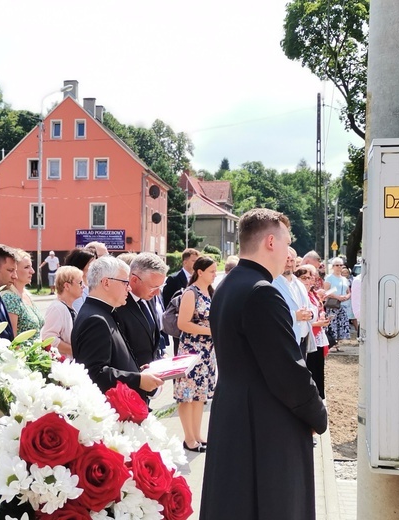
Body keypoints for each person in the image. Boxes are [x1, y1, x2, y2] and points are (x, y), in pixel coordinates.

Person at [200, 208, 327, 520]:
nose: (288, 253)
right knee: (270, 504)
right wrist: (316, 413)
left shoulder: (229, 284)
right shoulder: (262, 292)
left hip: (233, 412)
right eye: (286, 243)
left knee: (234, 501)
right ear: (270, 242)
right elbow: (287, 370)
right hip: (265, 421)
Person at [71, 255, 163, 401]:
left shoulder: (103, 311)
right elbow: (95, 373)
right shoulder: (96, 319)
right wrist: (138, 380)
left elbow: (114, 360)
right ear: (106, 283)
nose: (129, 287)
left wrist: (137, 372)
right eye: (125, 282)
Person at [174, 255, 217, 453]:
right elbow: (182, 324)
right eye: (212, 271)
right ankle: (188, 438)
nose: (215, 275)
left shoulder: (209, 292)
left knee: (200, 395)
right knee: (187, 395)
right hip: (191, 350)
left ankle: (198, 434)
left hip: (207, 351)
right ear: (200, 272)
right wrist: (211, 331)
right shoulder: (191, 293)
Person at [114, 253, 168, 368]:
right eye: (153, 287)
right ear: (134, 280)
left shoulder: (149, 298)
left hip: (152, 375)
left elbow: (151, 336)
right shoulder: (118, 305)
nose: (157, 292)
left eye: (160, 287)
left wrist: (160, 356)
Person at [272, 247, 315, 357]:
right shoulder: (272, 283)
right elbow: (272, 313)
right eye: (286, 260)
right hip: (285, 342)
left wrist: (310, 314)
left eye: (292, 260)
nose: (289, 264)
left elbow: (310, 306)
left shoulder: (299, 283)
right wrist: (295, 316)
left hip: (303, 340)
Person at [295, 265, 330, 400]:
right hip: (307, 336)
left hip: (317, 336)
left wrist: (322, 317)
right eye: (304, 278)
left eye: (311, 278)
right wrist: (318, 323)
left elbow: (315, 312)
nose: (308, 281)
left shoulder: (313, 294)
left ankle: (319, 399)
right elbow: (302, 318)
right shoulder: (300, 294)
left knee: (318, 371)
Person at [40, 266, 84, 358]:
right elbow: (48, 338)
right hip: (63, 365)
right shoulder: (58, 308)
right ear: (67, 286)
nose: (83, 286)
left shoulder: (67, 307)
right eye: (80, 283)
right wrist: (76, 351)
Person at [1, 249, 45, 337]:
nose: (32, 271)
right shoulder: (10, 298)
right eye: (26, 267)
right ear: (14, 270)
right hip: (23, 350)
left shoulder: (26, 295)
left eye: (31, 267)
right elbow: (13, 339)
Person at [325, 257, 351, 348]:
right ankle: (332, 342)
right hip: (333, 305)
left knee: (342, 324)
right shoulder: (329, 278)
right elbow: (326, 291)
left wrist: (346, 297)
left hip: (343, 305)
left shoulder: (344, 279)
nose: (339, 267)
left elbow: (348, 291)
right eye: (337, 265)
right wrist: (337, 297)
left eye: (341, 265)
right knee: (333, 324)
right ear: (333, 267)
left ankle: (338, 343)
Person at [65, 248, 96, 313]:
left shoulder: (91, 284)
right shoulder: (75, 286)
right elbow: (79, 311)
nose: (94, 267)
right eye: (91, 264)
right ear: (81, 265)